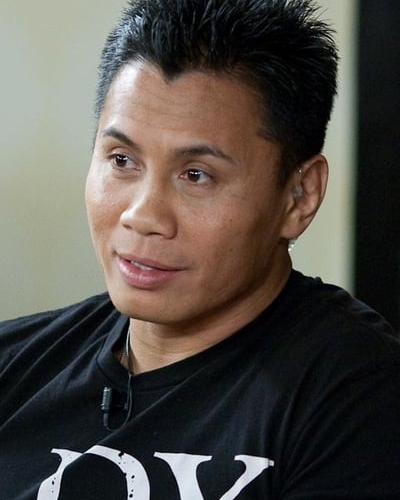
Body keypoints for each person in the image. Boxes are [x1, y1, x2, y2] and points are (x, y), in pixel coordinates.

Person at [1, 0, 399, 498]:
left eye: (196, 175)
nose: (143, 215)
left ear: (300, 196)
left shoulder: (357, 398)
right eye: (121, 160)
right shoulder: (13, 365)